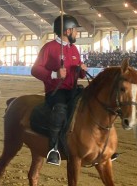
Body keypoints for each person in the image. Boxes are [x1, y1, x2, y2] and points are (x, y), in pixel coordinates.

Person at [31, 14, 87, 166]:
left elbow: (78, 72)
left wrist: (81, 70)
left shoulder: (74, 48)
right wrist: (54, 74)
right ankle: (53, 149)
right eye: (75, 30)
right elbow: (35, 69)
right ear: (67, 31)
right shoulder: (49, 48)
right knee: (60, 110)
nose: (77, 33)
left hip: (73, 89)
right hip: (56, 91)